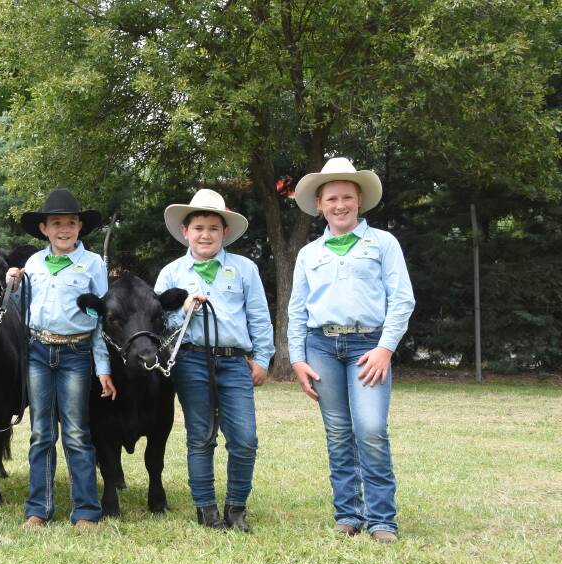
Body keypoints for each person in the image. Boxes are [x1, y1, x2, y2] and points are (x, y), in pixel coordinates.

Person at [288, 157, 414, 543]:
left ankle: (381, 519)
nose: (339, 205)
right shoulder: (310, 253)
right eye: (331, 199)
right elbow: (296, 309)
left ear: (359, 199)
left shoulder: (383, 244)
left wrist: (385, 349)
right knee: (339, 432)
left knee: (371, 429)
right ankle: (348, 514)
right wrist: (297, 358)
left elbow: (402, 300)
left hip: (368, 345)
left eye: (346, 197)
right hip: (321, 346)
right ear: (320, 205)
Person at [154, 189, 274, 532]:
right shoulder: (171, 274)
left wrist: (262, 358)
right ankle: (205, 509)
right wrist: (184, 311)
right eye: (198, 228)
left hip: (234, 360)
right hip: (190, 360)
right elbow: (158, 323)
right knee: (201, 436)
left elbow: (259, 316)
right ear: (185, 232)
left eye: (213, 228)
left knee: (245, 438)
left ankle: (236, 507)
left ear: (224, 233)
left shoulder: (244, 269)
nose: (205, 235)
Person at [5, 188, 112, 529]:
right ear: (44, 229)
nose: (63, 230)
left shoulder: (93, 264)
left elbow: (101, 319)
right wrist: (14, 284)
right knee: (41, 433)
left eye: (70, 223)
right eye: (56, 224)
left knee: (77, 432)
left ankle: (85, 511)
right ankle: (39, 509)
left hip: (76, 352)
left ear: (80, 227)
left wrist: (103, 367)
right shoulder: (34, 264)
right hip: (39, 351)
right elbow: (24, 310)